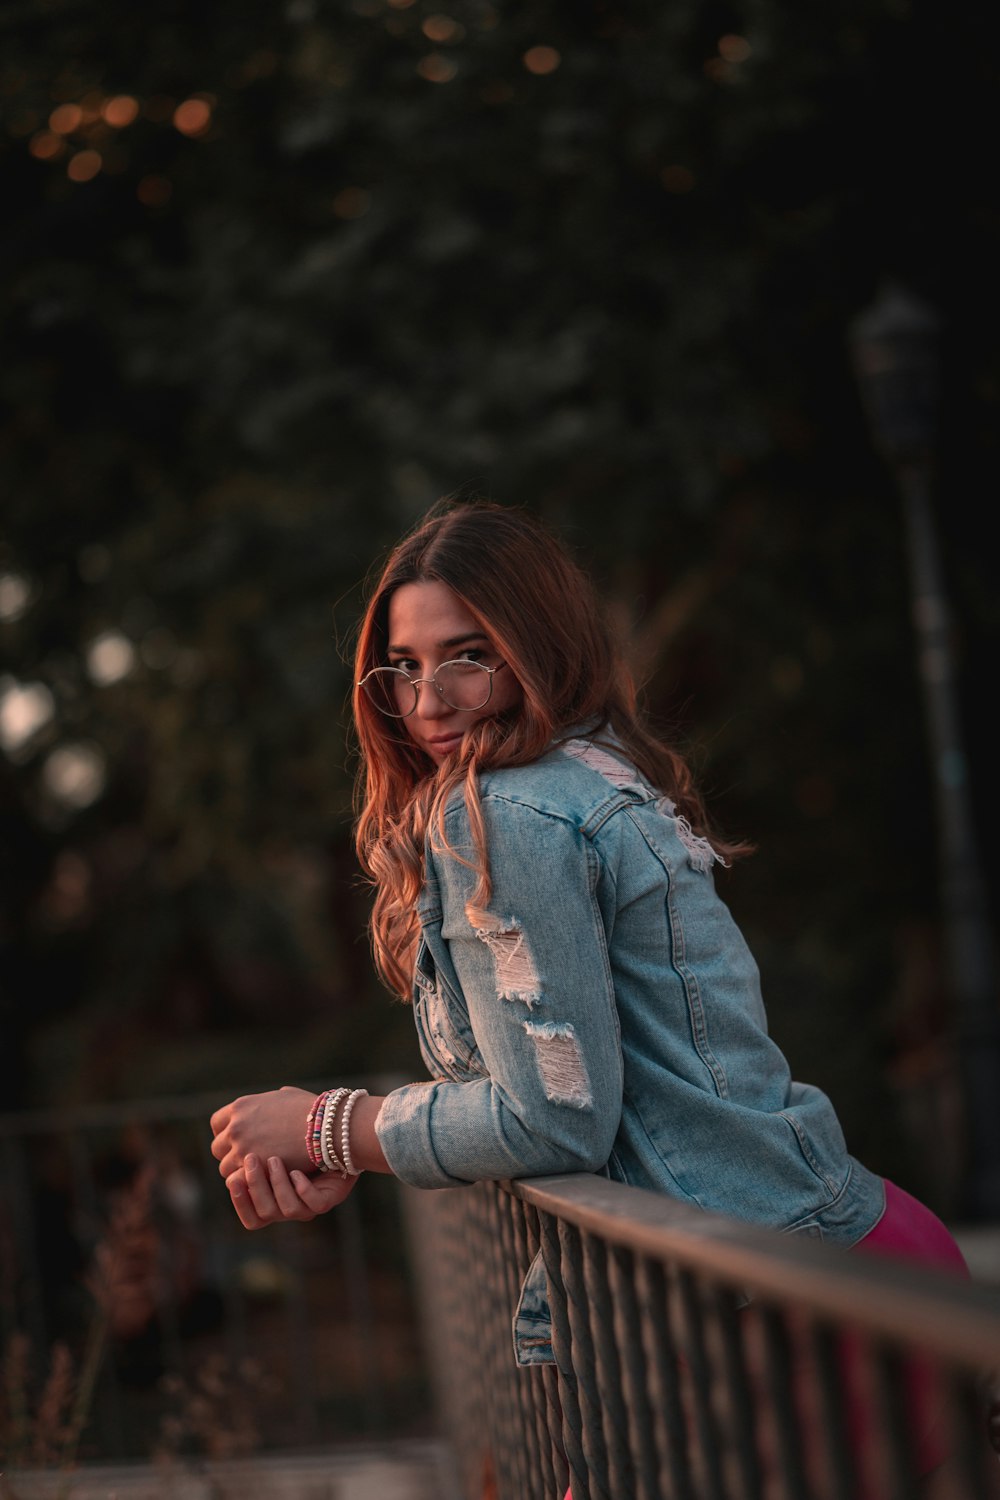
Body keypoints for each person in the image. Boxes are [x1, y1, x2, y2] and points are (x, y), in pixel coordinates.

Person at [209, 499, 985, 1489]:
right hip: (818, 1266)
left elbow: (554, 1120)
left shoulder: (508, 818)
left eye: (466, 654)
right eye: (401, 666)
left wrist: (331, 1128)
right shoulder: (587, 778)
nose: (429, 699)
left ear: (538, 645)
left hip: (781, 1318)